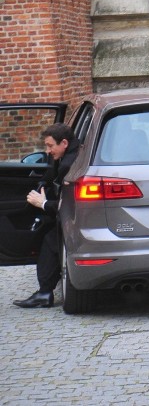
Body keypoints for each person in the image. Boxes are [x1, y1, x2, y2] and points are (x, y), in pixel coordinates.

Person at [13, 123, 80, 308]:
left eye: (50, 146)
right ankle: (44, 292)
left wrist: (41, 203)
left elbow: (65, 206)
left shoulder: (68, 164)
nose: (48, 151)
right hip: (73, 217)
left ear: (64, 143)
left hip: (74, 219)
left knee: (50, 240)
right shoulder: (69, 157)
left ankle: (44, 293)